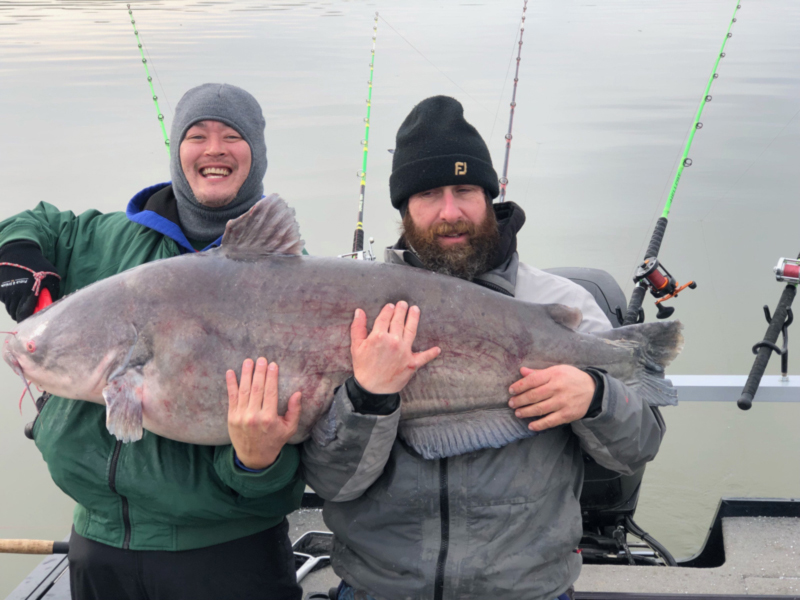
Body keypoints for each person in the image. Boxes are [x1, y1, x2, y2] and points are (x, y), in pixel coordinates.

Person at [301, 96, 666, 600]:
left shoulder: (564, 305)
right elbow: (333, 483)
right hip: (379, 589)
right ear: (404, 208)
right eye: (429, 193)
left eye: (465, 190)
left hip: (527, 590)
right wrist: (368, 397)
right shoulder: (358, 315)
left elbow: (641, 444)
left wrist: (596, 396)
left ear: (490, 196)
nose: (450, 212)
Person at [0, 83, 304, 600]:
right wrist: (24, 261)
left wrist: (257, 461)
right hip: (98, 543)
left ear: (256, 155)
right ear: (176, 152)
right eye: (197, 135)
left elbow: (294, 471)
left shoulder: (287, 288)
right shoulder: (109, 240)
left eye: (232, 136)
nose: (214, 148)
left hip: (227, 552)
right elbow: (36, 223)